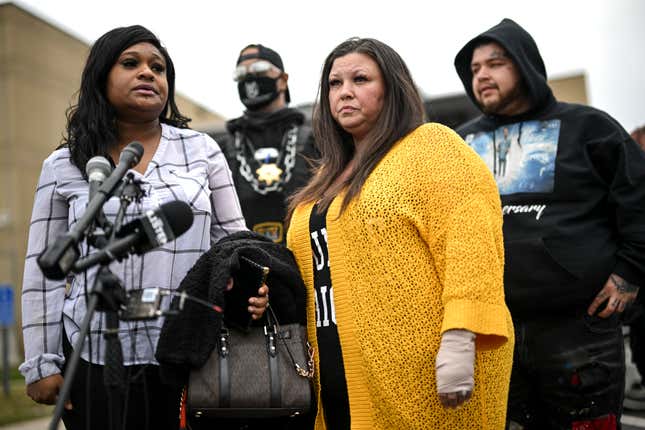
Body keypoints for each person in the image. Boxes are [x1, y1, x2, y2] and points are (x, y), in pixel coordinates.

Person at [18, 25, 268, 430]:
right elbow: (41, 271)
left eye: (159, 68)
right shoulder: (64, 164)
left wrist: (249, 290)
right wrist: (42, 363)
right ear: (101, 77)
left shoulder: (202, 150)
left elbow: (233, 244)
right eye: (131, 64)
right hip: (94, 354)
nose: (148, 73)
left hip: (188, 352)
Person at [285, 37, 514, 429]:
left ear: (392, 88)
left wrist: (460, 339)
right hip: (333, 376)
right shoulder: (323, 180)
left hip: (424, 374)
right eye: (334, 84)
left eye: (360, 79)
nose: (345, 93)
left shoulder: (430, 146)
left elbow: (470, 241)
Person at [453, 18, 645, 429]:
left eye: (495, 63)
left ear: (525, 65)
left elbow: (639, 199)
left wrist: (630, 273)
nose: (482, 75)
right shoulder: (459, 144)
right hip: (492, 334)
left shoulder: (590, 128)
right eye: (474, 69)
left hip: (579, 331)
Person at [217, 44, 317, 245]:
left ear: (283, 80)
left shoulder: (316, 139)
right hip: (244, 260)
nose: (249, 79)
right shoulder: (220, 148)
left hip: (303, 260)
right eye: (241, 74)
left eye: (259, 70)